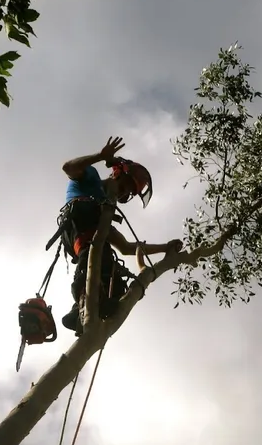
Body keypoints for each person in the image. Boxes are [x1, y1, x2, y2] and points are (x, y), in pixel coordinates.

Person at [60, 137, 183, 335]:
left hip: (94, 233)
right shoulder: (90, 179)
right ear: (117, 174)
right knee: (94, 253)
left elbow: (126, 248)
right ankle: (83, 301)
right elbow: (68, 167)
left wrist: (164, 247)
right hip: (79, 222)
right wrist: (100, 156)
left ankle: (92, 309)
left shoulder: (106, 214)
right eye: (125, 187)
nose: (124, 194)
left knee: (113, 275)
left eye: (129, 193)